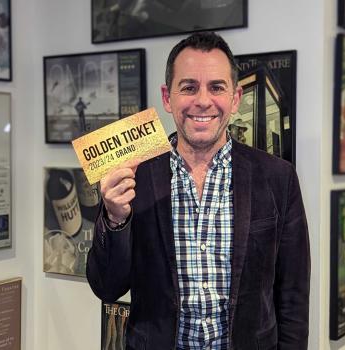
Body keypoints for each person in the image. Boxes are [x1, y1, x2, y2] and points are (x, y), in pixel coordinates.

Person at [86, 31, 310, 349]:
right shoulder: (134, 175)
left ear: (235, 98)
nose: (202, 100)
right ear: (167, 97)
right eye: (189, 87)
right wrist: (115, 218)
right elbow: (106, 287)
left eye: (216, 87)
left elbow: (293, 298)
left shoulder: (278, 177)